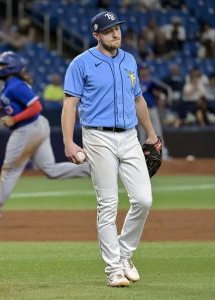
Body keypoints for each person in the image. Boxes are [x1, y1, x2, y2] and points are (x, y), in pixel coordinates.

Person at [61, 11, 160, 288]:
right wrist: (69, 141)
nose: (115, 33)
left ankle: (125, 254)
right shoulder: (81, 63)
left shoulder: (129, 60)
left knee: (143, 200)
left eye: (117, 28)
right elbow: (70, 104)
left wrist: (151, 134)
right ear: (96, 35)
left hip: (129, 136)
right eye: (108, 30)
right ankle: (114, 269)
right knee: (108, 205)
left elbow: (138, 99)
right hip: (97, 136)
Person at [0, 51, 90, 229]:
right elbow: (16, 104)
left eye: (1, 65)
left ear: (10, 68)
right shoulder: (11, 85)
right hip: (37, 127)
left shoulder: (16, 85)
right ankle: (94, 169)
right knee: (50, 170)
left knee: (9, 171)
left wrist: (14, 119)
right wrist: (0, 106)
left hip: (27, 129)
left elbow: (36, 106)